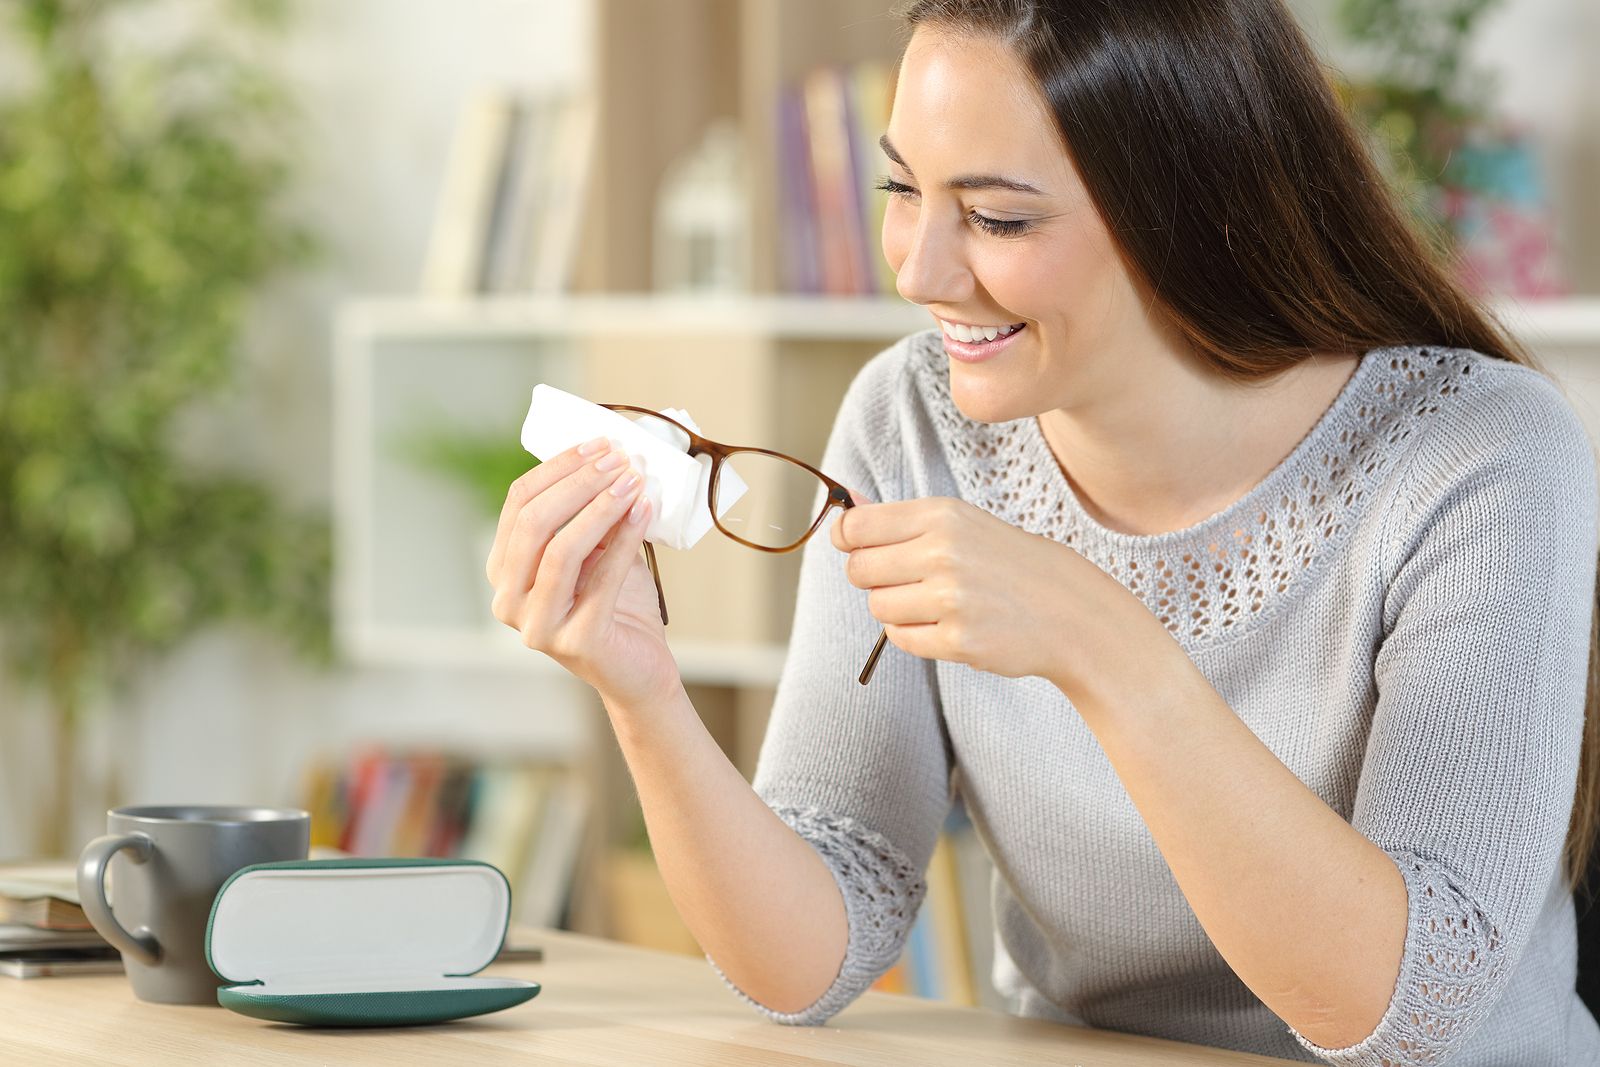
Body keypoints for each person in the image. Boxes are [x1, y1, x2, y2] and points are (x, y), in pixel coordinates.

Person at [483, 0, 1600, 1062]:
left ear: (1192, 202)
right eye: (901, 187)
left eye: (998, 217)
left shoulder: (1477, 453)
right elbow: (804, 961)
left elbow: (1411, 1012)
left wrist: (1098, 644)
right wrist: (643, 694)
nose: (918, 269)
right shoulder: (907, 417)